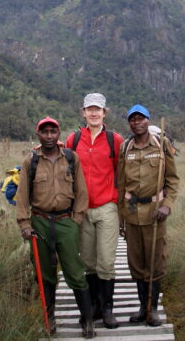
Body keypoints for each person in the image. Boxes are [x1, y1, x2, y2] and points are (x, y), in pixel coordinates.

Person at [16, 117, 95, 338]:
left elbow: (81, 192)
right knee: (44, 273)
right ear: (38, 135)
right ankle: (49, 319)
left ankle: (87, 321)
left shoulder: (71, 158)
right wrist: (24, 224)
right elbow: (22, 196)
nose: (49, 136)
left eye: (53, 131)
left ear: (58, 134)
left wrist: (76, 220)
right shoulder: (30, 161)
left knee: (75, 271)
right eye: (45, 132)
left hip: (65, 221)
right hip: (39, 221)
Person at [65, 93, 124, 329]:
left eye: (98, 109)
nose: (93, 113)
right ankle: (93, 307)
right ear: (83, 112)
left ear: (104, 113)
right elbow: (63, 164)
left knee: (106, 262)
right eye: (89, 109)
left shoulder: (114, 140)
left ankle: (107, 308)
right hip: (82, 209)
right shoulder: (73, 139)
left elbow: (123, 169)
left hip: (107, 207)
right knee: (88, 261)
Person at [117, 104, 179, 327]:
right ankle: (142, 306)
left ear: (148, 121)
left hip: (155, 214)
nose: (136, 122)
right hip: (132, 214)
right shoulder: (126, 148)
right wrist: (120, 217)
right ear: (129, 124)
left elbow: (172, 180)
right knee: (136, 263)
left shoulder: (162, 145)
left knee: (155, 262)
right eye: (132, 119)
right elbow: (120, 184)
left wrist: (167, 205)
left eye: (140, 118)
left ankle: (153, 308)